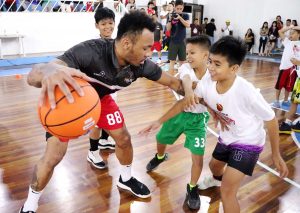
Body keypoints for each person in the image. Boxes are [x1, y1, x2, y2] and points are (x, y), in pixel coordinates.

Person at [20, 11, 189, 213]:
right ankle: (30, 205)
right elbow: (35, 74)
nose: (149, 54)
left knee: (124, 139)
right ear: (127, 43)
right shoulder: (90, 51)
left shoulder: (141, 65)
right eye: (146, 48)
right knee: (53, 156)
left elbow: (173, 83)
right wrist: (47, 70)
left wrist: (202, 93)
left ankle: (125, 178)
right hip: (72, 102)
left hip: (101, 100)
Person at [194, 36, 288, 213]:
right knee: (214, 167)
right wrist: (212, 110)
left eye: (217, 64)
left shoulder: (247, 92)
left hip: (249, 143)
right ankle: (217, 178)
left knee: (228, 192)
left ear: (234, 68)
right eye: (210, 62)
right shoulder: (208, 80)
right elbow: (200, 97)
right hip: (227, 136)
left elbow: (271, 119)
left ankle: (223, 185)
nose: (210, 68)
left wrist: (276, 154)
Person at [141, 35, 211, 210]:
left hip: (198, 120)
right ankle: (160, 156)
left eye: (192, 52)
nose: (188, 56)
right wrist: (189, 92)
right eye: (187, 52)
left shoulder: (213, 76)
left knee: (198, 157)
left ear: (205, 55)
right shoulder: (186, 67)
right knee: (161, 138)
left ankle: (192, 187)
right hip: (180, 112)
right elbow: (186, 79)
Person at [88, 7, 117, 171]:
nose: (107, 26)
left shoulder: (117, 43)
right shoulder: (93, 46)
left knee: (107, 119)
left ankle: (104, 140)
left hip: (112, 89)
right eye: (103, 23)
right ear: (97, 26)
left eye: (110, 23)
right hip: (97, 92)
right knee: (96, 124)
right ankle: (92, 152)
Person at [276, 26, 300, 134]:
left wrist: (297, 63)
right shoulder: (288, 42)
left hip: (295, 72)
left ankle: (289, 122)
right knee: (294, 101)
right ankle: (288, 122)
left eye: (293, 33)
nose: (291, 34)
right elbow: (280, 31)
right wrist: (291, 27)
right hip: (298, 77)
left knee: (294, 100)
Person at [166, 0, 190, 73]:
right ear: (174, 8)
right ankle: (170, 80)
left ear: (183, 8)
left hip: (182, 42)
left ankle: (181, 79)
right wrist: (170, 19)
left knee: (182, 62)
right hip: (173, 41)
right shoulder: (170, 15)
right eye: (177, 8)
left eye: (181, 9)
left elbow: (188, 25)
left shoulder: (185, 15)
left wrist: (180, 18)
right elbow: (168, 29)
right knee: (172, 62)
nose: (179, 10)